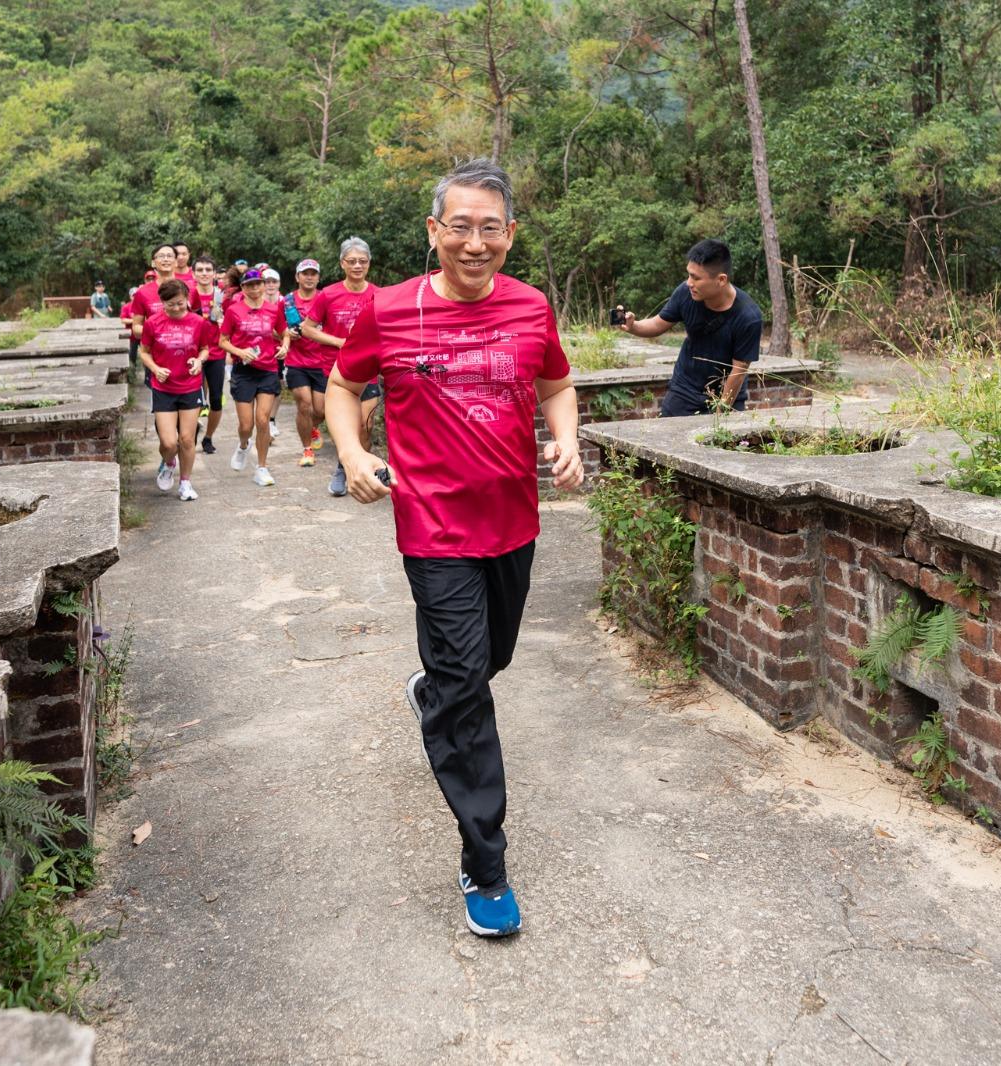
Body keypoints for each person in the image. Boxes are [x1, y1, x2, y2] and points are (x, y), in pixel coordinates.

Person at [328, 158, 583, 939]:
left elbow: (555, 386)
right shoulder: (389, 310)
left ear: (511, 234)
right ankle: (486, 861)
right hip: (434, 529)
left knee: (484, 662)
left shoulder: (532, 307)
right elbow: (343, 385)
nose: (476, 243)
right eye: (460, 227)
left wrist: (566, 440)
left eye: (491, 228)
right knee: (470, 689)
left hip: (514, 522)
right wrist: (353, 453)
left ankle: (435, 688)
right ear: (434, 232)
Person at [615, 239, 765, 416]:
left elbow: (738, 371)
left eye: (696, 278)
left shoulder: (748, 317)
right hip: (684, 390)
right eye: (689, 275)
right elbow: (657, 324)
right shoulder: (686, 293)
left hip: (726, 396)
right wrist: (633, 326)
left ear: (721, 279)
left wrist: (721, 414)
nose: (689, 283)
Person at [301, 236, 379, 496]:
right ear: (342, 264)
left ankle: (347, 469)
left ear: (369, 264)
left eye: (362, 261)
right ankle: (346, 461)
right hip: (333, 370)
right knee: (326, 415)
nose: (357, 266)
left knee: (364, 425)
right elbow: (307, 329)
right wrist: (338, 342)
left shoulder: (378, 295)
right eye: (352, 261)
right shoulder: (329, 295)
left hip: (367, 370)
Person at [138, 278, 212, 502]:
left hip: (190, 386)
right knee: (169, 443)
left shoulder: (198, 322)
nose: (177, 308)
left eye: (180, 303)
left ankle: (185, 483)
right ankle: (169, 463)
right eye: (171, 304)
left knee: (187, 439)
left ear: (187, 299)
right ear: (162, 302)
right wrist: (155, 368)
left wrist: (199, 361)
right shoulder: (153, 323)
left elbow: (206, 349)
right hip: (164, 388)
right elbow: (144, 351)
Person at [221, 267, 289, 487]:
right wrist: (239, 352)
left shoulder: (273, 308)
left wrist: (285, 346)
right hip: (244, 371)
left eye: (258, 284)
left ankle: (261, 467)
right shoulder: (234, 310)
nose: (255, 288)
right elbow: (222, 340)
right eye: (250, 285)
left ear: (263, 285)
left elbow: (284, 331)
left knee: (262, 420)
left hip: (267, 369)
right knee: (246, 425)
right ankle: (243, 446)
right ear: (243, 288)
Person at [283, 258, 327, 466]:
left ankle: (312, 427)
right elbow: (276, 329)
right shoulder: (287, 301)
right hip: (297, 360)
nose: (309, 277)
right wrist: (287, 333)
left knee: (321, 410)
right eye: (305, 273)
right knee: (304, 404)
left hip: (321, 360)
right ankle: (307, 449)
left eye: (313, 274)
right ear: (297, 277)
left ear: (318, 277)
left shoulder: (326, 298)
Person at [190, 256, 227, 453]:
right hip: (193, 355)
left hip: (217, 354)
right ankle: (190, 432)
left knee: (216, 398)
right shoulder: (189, 296)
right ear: (194, 273)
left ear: (214, 273)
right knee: (193, 399)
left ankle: (208, 437)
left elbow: (233, 318)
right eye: (200, 270)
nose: (204, 273)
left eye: (208, 270)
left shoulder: (222, 296)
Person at [262, 267, 285, 440]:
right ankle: (263, 420)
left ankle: (271, 419)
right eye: (267, 281)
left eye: (273, 281)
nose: (270, 285)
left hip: (280, 350)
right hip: (261, 350)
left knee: (278, 385)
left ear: (279, 284)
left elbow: (289, 328)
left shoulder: (285, 302)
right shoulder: (255, 301)